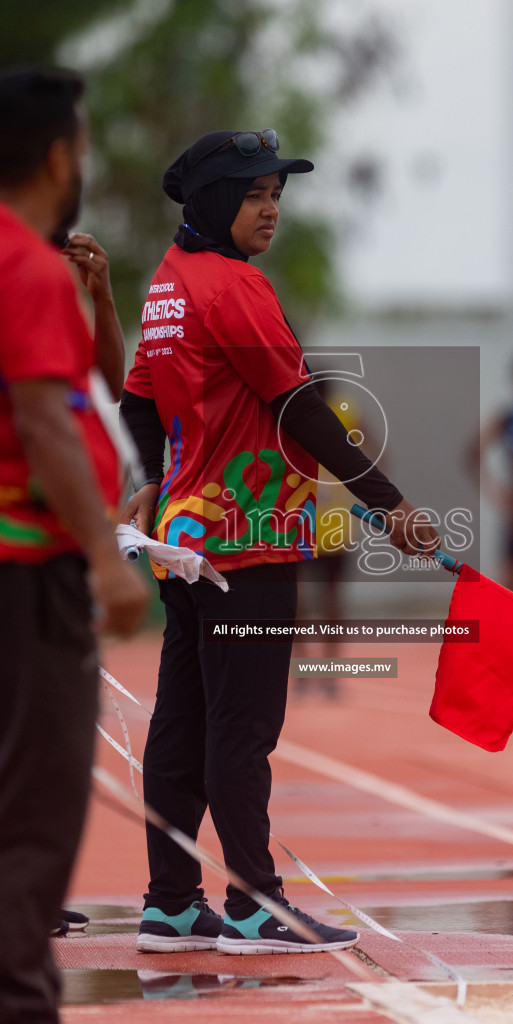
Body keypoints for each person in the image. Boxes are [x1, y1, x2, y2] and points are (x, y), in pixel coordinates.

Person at [120, 129, 440, 955]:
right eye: (256, 196)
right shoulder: (235, 287)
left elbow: (141, 403)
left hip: (186, 535)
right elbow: (301, 406)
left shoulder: (165, 284)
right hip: (249, 539)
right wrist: (389, 503)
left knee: (184, 720)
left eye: (276, 197)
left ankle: (172, 902)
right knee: (241, 726)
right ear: (218, 203)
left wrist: (154, 479)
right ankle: (258, 906)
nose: (270, 212)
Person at [0, 66, 148, 1024]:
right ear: (60, 157)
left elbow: (92, 390)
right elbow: (46, 420)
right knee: (36, 819)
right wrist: (103, 554)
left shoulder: (42, 270)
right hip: (29, 571)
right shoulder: (25, 267)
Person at [467, 355, 513, 594]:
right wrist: (497, 494)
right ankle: (512, 626)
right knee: (512, 572)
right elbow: (472, 453)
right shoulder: (510, 416)